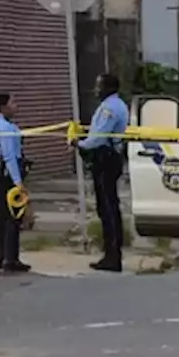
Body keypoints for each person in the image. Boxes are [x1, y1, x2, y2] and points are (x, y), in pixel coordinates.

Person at [75, 73, 129, 272]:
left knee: (107, 207)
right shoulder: (116, 105)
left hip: (105, 157)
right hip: (108, 157)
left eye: (99, 86)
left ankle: (112, 256)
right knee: (108, 206)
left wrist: (78, 143)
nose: (96, 89)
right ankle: (111, 253)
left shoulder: (109, 108)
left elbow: (98, 137)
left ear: (108, 87)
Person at [0, 92, 29, 273]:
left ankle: (2, 257)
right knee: (13, 216)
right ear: (3, 107)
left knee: (4, 216)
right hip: (7, 174)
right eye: (13, 103)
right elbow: (9, 156)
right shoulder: (4, 128)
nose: (16, 106)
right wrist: (18, 182)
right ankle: (10, 259)